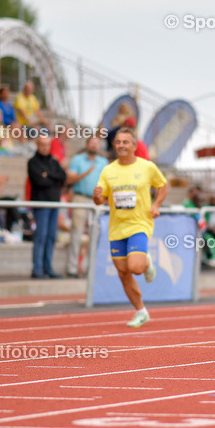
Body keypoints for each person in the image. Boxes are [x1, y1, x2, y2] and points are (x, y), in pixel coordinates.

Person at [94, 127, 167, 326]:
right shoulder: (108, 170)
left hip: (139, 223)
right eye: (118, 142)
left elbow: (163, 185)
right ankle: (141, 311)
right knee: (123, 272)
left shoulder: (146, 167)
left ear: (134, 146)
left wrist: (156, 205)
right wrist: (97, 196)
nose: (121, 145)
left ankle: (146, 260)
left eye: (126, 142)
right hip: (117, 227)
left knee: (135, 267)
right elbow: (101, 200)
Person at [65, 135, 108, 277]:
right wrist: (85, 174)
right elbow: (70, 178)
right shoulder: (78, 159)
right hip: (80, 197)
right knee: (76, 232)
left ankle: (89, 268)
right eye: (92, 143)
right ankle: (72, 268)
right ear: (87, 144)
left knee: (95, 234)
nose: (95, 146)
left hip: (96, 200)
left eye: (97, 143)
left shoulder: (103, 162)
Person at [28, 134, 67, 278]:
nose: (45, 148)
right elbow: (39, 181)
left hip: (53, 204)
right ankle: (37, 269)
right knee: (41, 236)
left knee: (51, 236)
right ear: (38, 145)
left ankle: (48, 267)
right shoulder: (33, 162)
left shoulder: (53, 161)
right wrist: (53, 177)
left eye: (47, 145)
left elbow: (63, 177)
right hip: (41, 204)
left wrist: (48, 175)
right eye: (42, 145)